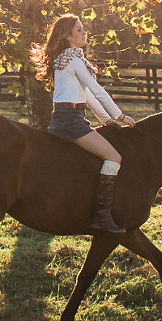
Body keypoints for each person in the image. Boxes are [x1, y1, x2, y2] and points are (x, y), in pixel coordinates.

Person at [33, 13, 137, 233]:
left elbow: (86, 94)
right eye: (79, 29)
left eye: (83, 28)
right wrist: (120, 116)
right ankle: (102, 216)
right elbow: (97, 90)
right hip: (71, 121)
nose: (84, 32)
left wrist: (105, 120)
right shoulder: (74, 60)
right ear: (68, 36)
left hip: (66, 118)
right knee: (114, 157)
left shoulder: (65, 58)